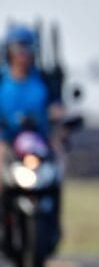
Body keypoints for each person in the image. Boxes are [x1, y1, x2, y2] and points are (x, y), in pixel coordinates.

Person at [0, 25, 66, 252]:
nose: (22, 55)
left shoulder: (44, 81)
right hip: (8, 141)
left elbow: (58, 109)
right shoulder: (2, 81)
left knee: (58, 164)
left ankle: (54, 222)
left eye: (27, 49)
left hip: (37, 142)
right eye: (18, 49)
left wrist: (59, 118)